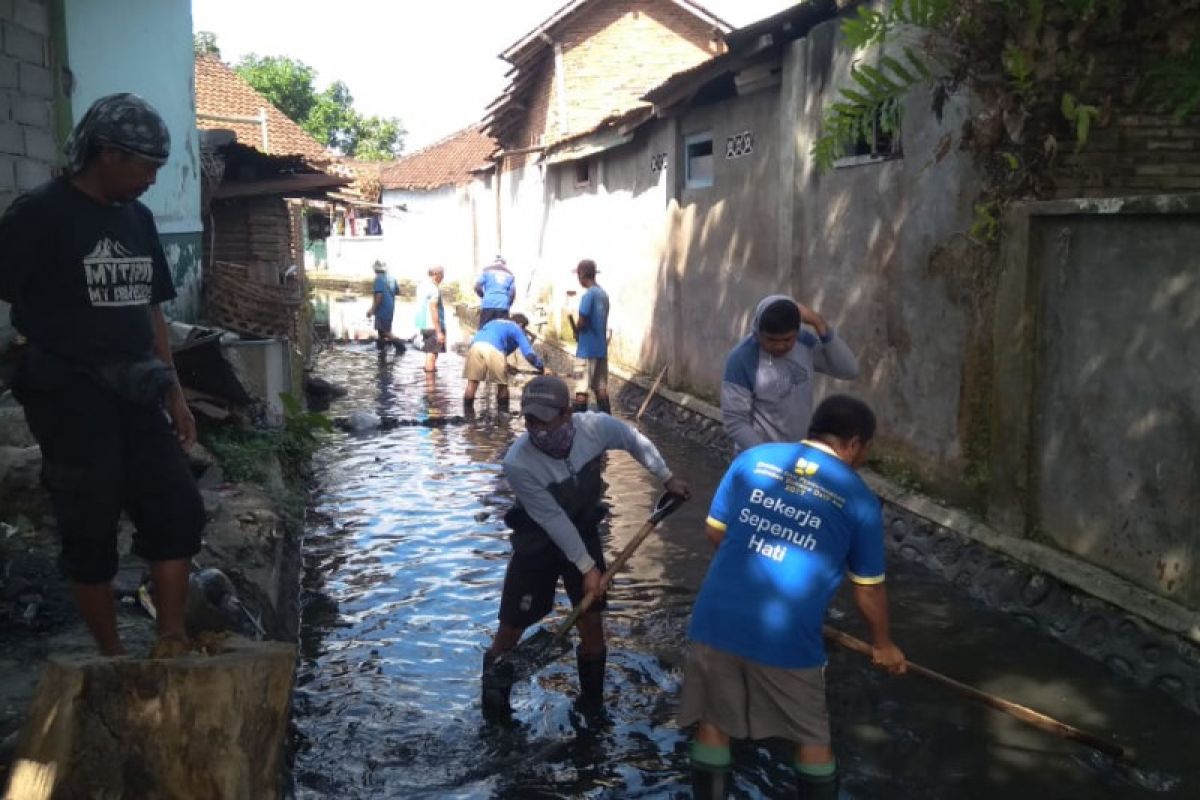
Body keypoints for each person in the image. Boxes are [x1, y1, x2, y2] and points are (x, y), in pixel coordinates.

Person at [0, 93, 205, 657]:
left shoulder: (137, 219)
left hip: (138, 386)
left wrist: (176, 394)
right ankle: (112, 659)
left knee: (176, 507)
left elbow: (153, 311)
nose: (151, 181)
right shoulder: (39, 214)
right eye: (146, 167)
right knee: (88, 521)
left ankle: (171, 639)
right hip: (67, 391)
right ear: (108, 154)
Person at [678, 395, 906, 799]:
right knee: (811, 736)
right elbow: (868, 590)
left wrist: (759, 556)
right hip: (786, 635)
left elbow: (716, 532)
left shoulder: (754, 459)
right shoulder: (859, 499)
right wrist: (884, 645)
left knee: (713, 723)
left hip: (714, 619)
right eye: (865, 450)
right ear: (854, 444)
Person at [481, 375, 691, 718]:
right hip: (537, 544)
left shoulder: (596, 428)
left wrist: (666, 477)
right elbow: (552, 520)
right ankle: (494, 711)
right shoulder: (518, 462)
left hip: (584, 527)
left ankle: (591, 707)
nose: (537, 429)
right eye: (530, 420)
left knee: (592, 622)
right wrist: (588, 567)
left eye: (545, 420)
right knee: (510, 628)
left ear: (567, 413)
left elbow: (634, 440)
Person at [721, 294, 858, 451]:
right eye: (771, 340)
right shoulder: (742, 359)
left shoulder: (804, 344)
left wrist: (819, 323)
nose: (780, 346)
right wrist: (768, 457)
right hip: (759, 458)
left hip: (799, 453)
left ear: (797, 332)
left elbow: (849, 370)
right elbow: (735, 421)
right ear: (758, 333)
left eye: (787, 340)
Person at [462, 313, 544, 406]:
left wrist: (506, 365)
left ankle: (467, 416)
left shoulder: (493, 323)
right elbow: (530, 356)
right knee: (502, 385)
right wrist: (542, 368)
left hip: (475, 346)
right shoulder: (516, 328)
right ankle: (503, 414)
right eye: (524, 328)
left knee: (472, 384)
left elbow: (495, 350)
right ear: (521, 324)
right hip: (493, 348)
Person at [567, 259, 610, 414]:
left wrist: (577, 331)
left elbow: (582, 321)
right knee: (601, 389)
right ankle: (608, 425)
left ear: (582, 274)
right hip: (601, 350)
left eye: (578, 274)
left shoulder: (588, 296)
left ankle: (578, 428)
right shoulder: (603, 295)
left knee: (581, 391)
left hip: (586, 351)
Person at [365, 259, 405, 354]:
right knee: (381, 332)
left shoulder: (378, 279)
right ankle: (381, 352)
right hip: (390, 308)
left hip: (382, 309)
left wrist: (372, 310)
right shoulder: (392, 278)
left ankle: (401, 347)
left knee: (386, 332)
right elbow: (398, 292)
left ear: (375, 269)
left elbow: (379, 296)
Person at [414, 265, 446, 373]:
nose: (443, 278)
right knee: (432, 355)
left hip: (423, 325)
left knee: (430, 353)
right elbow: (433, 309)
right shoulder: (433, 289)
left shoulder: (421, 286)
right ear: (437, 275)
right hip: (432, 326)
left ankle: (428, 384)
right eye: (442, 275)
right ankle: (431, 388)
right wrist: (439, 332)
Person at [474, 255, 516, 327]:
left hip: (488, 304)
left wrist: (484, 296)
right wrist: (508, 304)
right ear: (504, 264)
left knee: (484, 329)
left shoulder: (486, 271)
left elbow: (477, 287)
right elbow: (512, 294)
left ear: (494, 262)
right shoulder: (510, 274)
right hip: (503, 306)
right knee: (501, 331)